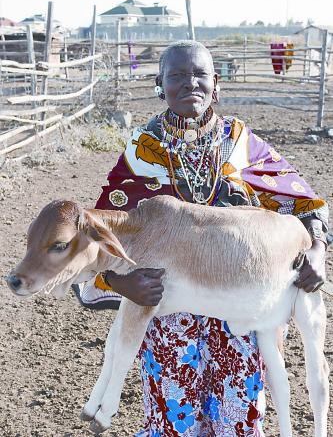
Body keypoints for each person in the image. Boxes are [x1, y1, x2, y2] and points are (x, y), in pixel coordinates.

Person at [75, 41, 328, 436]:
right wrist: (123, 283)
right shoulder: (143, 151)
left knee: (239, 419)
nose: (189, 83)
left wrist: (317, 250)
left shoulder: (242, 143)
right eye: (177, 75)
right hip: (167, 313)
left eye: (200, 75)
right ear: (160, 84)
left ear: (216, 84)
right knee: (173, 421)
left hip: (238, 312)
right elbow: (100, 239)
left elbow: (305, 204)